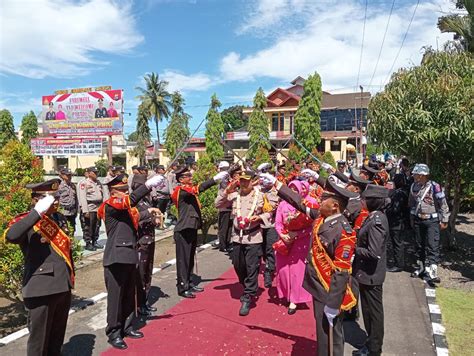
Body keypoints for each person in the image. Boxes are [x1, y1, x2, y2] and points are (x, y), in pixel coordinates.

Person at [260, 170, 358, 355]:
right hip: (318, 287)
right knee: (322, 334)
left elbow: (341, 272)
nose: (319, 202)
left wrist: (333, 304)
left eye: (324, 200)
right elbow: (298, 202)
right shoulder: (322, 218)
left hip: (330, 293)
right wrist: (276, 183)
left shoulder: (344, 231)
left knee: (333, 337)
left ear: (335, 205)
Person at [5, 179, 74, 356]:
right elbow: (12, 236)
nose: (56, 201)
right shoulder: (27, 220)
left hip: (62, 286)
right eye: (51, 198)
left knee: (56, 339)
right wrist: (36, 212)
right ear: (36, 199)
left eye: (57, 197)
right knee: (39, 343)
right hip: (41, 289)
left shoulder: (58, 218)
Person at [97, 173, 166, 350]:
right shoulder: (110, 205)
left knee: (129, 295)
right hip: (116, 258)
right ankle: (114, 332)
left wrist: (151, 211)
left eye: (126, 190)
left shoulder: (126, 208)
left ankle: (127, 327)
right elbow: (131, 202)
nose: (125, 193)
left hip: (130, 255)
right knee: (116, 298)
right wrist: (147, 185)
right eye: (121, 190)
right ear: (113, 191)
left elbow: (138, 213)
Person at [216, 170, 271, 316]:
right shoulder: (235, 196)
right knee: (238, 264)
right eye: (242, 180)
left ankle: (248, 296)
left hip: (254, 237)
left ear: (252, 181)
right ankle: (246, 283)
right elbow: (218, 203)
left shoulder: (260, 196)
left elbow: (269, 213)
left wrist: (259, 218)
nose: (244, 183)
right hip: (237, 237)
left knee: (251, 267)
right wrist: (228, 189)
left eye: (247, 180)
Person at [171, 165, 228, 298]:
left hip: (191, 227)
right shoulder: (181, 190)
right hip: (183, 229)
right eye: (188, 176)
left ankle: (189, 282)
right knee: (183, 260)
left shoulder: (186, 189)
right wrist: (214, 179)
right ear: (181, 179)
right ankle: (182, 286)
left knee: (190, 258)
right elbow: (199, 189)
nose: (191, 177)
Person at [352, 185, 390, 356]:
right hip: (367, 273)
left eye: (364, 199)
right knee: (368, 311)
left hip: (371, 274)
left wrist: (355, 249)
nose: (362, 201)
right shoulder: (373, 217)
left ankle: (374, 348)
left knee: (373, 313)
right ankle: (370, 342)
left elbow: (373, 253)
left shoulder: (377, 221)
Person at [274, 180, 315, 314]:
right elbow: (278, 223)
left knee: (297, 272)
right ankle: (286, 293)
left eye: (295, 190)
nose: (293, 192)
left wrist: (296, 234)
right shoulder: (282, 205)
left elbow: (311, 227)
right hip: (285, 241)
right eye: (290, 189)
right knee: (283, 270)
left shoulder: (306, 206)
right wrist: (283, 234)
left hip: (300, 243)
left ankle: (295, 299)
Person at [409, 164, 450, 283]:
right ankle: (421, 268)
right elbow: (412, 204)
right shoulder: (414, 186)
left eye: (416, 174)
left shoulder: (434, 186)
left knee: (433, 246)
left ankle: (433, 273)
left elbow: (443, 204)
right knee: (419, 245)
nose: (414, 176)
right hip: (418, 219)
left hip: (432, 220)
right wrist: (411, 218)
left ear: (422, 175)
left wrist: (445, 220)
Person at [132, 174, 162, 316]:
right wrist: (149, 215)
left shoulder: (146, 201)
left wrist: (155, 220)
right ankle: (139, 305)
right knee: (141, 275)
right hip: (141, 241)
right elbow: (136, 220)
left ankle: (145, 302)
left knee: (148, 272)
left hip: (149, 239)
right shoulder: (134, 203)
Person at [386, 174, 409, 272]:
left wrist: (387, 209)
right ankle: (398, 263)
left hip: (397, 222)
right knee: (397, 243)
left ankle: (399, 264)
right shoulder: (403, 191)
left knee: (397, 243)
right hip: (399, 221)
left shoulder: (399, 193)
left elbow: (395, 209)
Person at [77, 167, 103, 251]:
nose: (96, 174)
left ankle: (95, 241)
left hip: (98, 208)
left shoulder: (98, 182)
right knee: (88, 226)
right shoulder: (84, 183)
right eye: (94, 172)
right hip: (89, 208)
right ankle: (88, 243)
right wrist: (85, 210)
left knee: (97, 226)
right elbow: (82, 197)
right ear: (89, 173)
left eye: (97, 172)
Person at [215, 161, 233, 253]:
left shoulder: (228, 176)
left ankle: (227, 242)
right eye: (224, 168)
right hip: (224, 204)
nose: (226, 170)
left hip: (230, 204)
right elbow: (225, 187)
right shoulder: (221, 177)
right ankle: (222, 245)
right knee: (224, 227)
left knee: (229, 226)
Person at [58, 168, 78, 236]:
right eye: (68, 175)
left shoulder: (73, 186)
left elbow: (76, 199)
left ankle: (71, 245)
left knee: (72, 230)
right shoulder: (59, 186)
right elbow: (57, 199)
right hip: (63, 212)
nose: (70, 177)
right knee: (64, 230)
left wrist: (76, 211)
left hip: (72, 212)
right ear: (63, 176)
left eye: (70, 175)